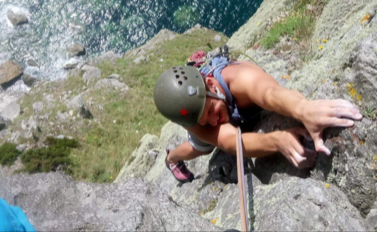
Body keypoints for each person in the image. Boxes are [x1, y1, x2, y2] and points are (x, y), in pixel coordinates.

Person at [153, 55, 363, 183]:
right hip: (205, 121)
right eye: (202, 122)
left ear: (210, 84)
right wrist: (277, 141)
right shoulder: (197, 117)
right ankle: (172, 159)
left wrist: (303, 109)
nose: (211, 122)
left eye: (210, 111)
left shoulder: (239, 78)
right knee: (199, 148)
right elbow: (231, 141)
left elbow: (269, 93)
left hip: (233, 92)